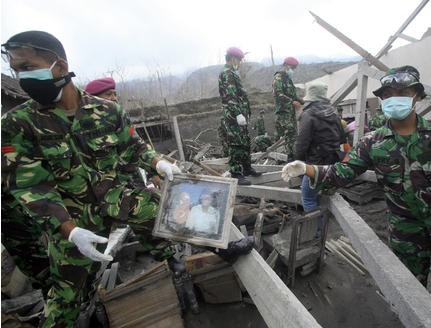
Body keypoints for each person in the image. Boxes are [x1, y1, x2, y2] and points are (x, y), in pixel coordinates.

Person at [1, 31, 253, 327]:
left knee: (178, 213)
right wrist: (69, 231)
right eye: (16, 70)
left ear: (59, 65)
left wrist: (159, 162)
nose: (22, 78)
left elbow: (134, 147)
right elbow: (30, 186)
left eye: (28, 67)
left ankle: (224, 249)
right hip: (72, 218)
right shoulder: (17, 124)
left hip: (119, 196)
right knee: (67, 298)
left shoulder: (107, 111)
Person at [282, 65, 431, 328]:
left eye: (402, 91)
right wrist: (307, 169)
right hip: (406, 237)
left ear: (416, 95)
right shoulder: (373, 142)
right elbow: (344, 171)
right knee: (411, 300)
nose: (395, 97)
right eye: (388, 94)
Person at [294, 81, 346, 231]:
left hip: (315, 164)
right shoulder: (334, 113)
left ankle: (319, 232)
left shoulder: (308, 115)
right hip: (333, 161)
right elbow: (342, 137)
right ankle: (324, 223)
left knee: (308, 198)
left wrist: (296, 161)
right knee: (321, 192)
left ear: (310, 97)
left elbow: (302, 143)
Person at [218, 46, 260, 185]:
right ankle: (236, 173)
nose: (240, 63)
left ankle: (246, 168)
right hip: (233, 116)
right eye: (239, 60)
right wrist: (237, 114)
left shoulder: (233, 73)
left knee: (244, 142)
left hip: (240, 115)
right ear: (233, 59)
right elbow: (231, 96)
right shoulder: (227, 73)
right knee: (236, 143)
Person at [272, 56, 304, 162]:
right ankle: (289, 157)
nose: (293, 70)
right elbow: (278, 94)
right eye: (292, 68)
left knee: (293, 135)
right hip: (283, 113)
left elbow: (293, 95)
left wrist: (304, 101)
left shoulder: (288, 80)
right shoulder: (278, 78)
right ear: (286, 65)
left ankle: (291, 156)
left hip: (290, 113)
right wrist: (292, 102)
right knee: (289, 133)